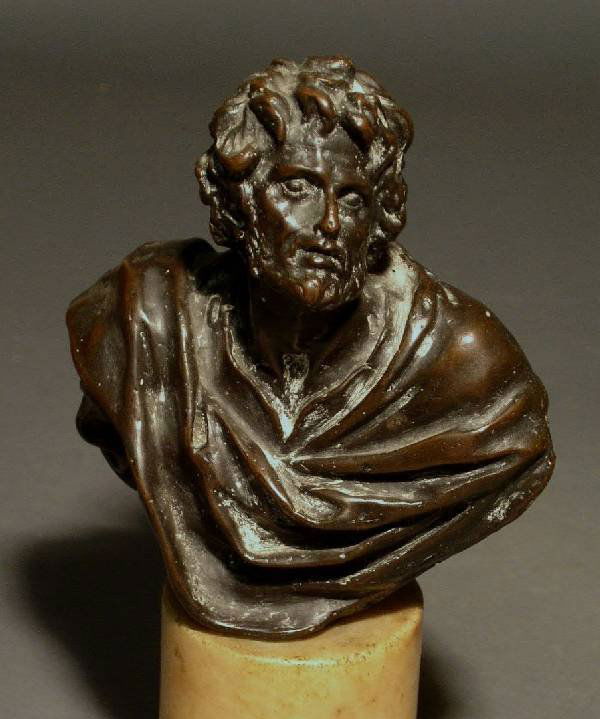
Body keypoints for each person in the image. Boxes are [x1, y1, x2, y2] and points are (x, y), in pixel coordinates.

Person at [67, 56, 554, 638]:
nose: (327, 224)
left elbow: (517, 459)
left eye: (352, 199)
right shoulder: (144, 321)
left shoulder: (465, 368)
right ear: (238, 203)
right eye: (296, 188)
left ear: (380, 216)